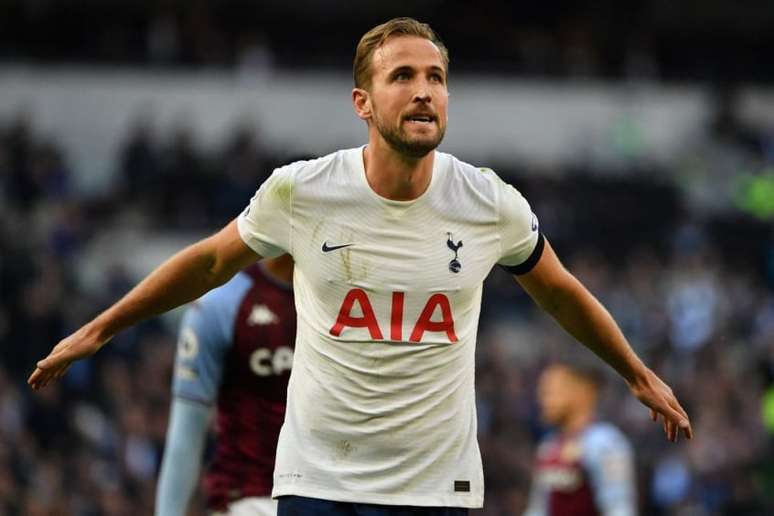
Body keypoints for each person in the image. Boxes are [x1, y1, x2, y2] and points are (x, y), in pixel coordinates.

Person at [29, 17, 692, 515]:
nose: (424, 91)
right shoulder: (302, 191)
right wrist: (100, 329)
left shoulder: (488, 201)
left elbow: (561, 292)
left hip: (437, 487)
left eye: (435, 77)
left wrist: (635, 373)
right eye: (402, 76)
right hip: (318, 482)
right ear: (363, 103)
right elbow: (207, 262)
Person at [155, 255, 295, 516]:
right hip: (250, 498)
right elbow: (186, 433)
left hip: (332, 495)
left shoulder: (345, 301)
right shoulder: (220, 305)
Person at [524, 362, 636, 516]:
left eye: (550, 391)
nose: (542, 398)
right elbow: (538, 509)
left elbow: (618, 508)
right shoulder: (548, 447)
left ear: (582, 392)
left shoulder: (606, 444)